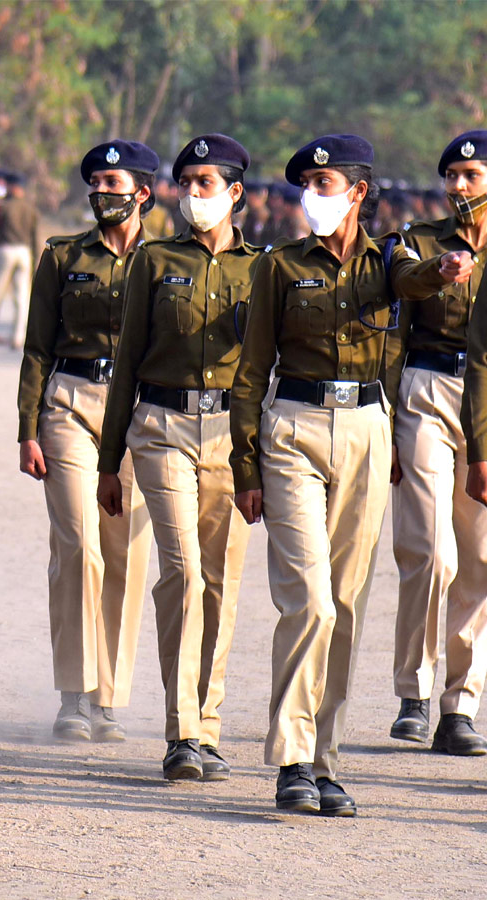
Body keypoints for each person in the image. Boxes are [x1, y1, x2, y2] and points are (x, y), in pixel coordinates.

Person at [230, 134, 471, 816]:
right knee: (307, 600)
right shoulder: (279, 266)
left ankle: (324, 760)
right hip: (293, 431)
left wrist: (446, 269)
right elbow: (251, 370)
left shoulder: (391, 258)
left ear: (358, 193)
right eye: (307, 185)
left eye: (326, 186)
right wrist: (244, 463)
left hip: (366, 427)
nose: (314, 196)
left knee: (347, 603)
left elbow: (413, 282)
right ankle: (291, 758)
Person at [98, 134, 257, 784]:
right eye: (185, 181)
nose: (194, 193)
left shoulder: (263, 268)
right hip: (160, 427)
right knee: (184, 571)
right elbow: (128, 360)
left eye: (206, 182)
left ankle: (209, 725)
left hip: (229, 431)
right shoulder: (156, 260)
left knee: (221, 582)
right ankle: (181, 730)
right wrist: (111, 461)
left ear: (235, 191)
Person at [17, 140, 156, 744]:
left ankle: (107, 697)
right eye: (95, 181)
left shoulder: (167, 259)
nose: (102, 191)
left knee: (123, 552)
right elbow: (37, 347)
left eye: (113, 181)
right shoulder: (62, 255)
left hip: (143, 415)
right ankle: (73, 693)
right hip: (72, 403)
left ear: (142, 193)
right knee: (78, 545)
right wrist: (27, 427)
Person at [385, 131, 487, 756]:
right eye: (451, 175)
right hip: (425, 389)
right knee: (430, 549)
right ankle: (414, 691)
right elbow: (395, 328)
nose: (458, 186)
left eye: (471, 175)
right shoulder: (420, 243)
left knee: (477, 559)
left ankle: (461, 703)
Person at [0, 170, 39, 349]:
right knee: (21, 298)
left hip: (5, 250)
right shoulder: (31, 208)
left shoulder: (2, 207)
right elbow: (36, 237)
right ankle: (18, 338)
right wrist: (36, 259)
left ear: (12, 187)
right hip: (25, 252)